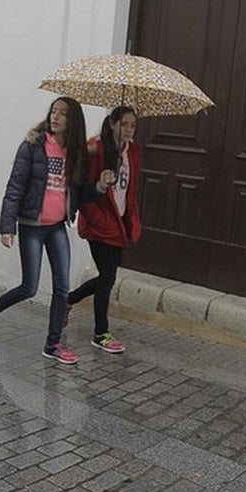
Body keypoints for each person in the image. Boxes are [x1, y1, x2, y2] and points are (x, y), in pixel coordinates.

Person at [0, 96, 115, 364]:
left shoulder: (75, 153)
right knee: (30, 287)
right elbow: (15, 186)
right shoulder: (33, 146)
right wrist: (7, 226)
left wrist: (100, 185)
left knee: (62, 288)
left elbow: (78, 194)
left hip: (56, 227)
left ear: (72, 120)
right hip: (31, 225)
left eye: (63, 113)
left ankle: (53, 344)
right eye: (54, 111)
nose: (56, 117)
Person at [66, 106, 141, 353]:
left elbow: (129, 191)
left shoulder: (132, 152)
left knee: (107, 278)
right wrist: (98, 217)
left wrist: (131, 219)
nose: (128, 129)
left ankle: (68, 300)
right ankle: (101, 333)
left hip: (119, 223)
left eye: (132, 125)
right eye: (124, 124)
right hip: (100, 223)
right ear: (112, 123)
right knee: (107, 278)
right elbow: (84, 190)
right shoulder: (95, 149)